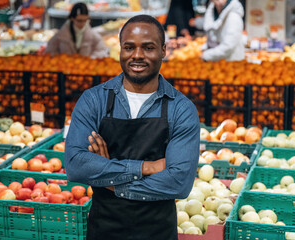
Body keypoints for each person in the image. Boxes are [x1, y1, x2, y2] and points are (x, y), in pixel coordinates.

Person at [65, 15, 200, 240]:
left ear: (164, 50)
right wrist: (146, 167)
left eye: (148, 48)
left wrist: (110, 180)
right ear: (120, 49)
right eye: (129, 47)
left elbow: (179, 183)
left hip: (157, 232)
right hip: (104, 230)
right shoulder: (93, 100)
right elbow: (76, 166)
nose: (137, 55)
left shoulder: (182, 109)